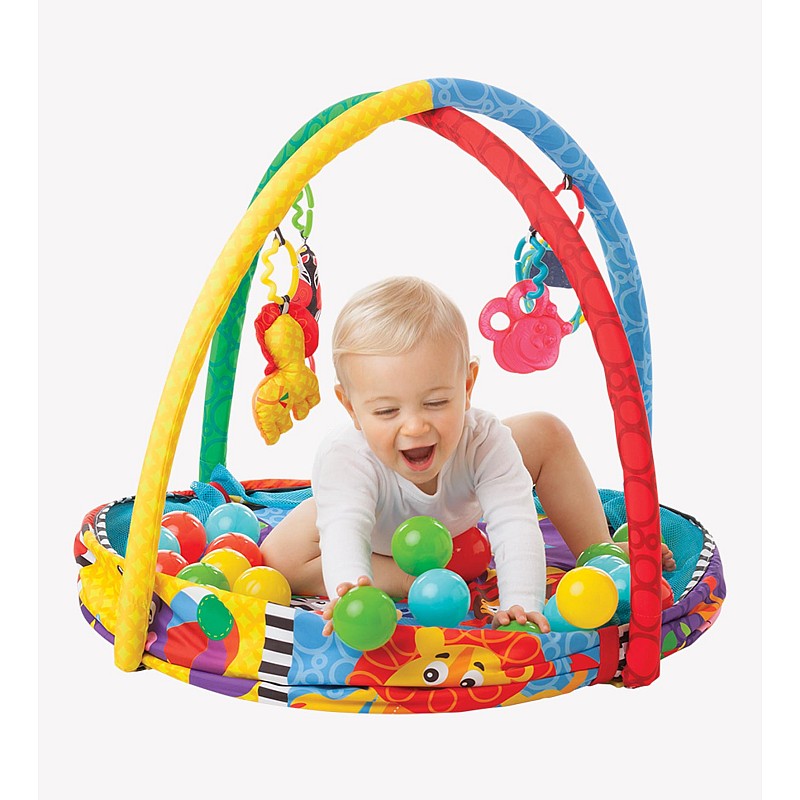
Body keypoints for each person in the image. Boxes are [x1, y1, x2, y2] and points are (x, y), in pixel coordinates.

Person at [260, 276, 675, 636]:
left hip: (457, 515)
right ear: (351, 408)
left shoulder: (483, 440)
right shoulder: (347, 458)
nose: (414, 426)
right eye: (386, 411)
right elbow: (344, 530)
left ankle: (600, 552)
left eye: (436, 402)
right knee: (280, 557)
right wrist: (352, 590)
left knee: (545, 431)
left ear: (467, 385)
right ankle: (404, 579)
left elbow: (514, 519)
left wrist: (521, 602)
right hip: (378, 533)